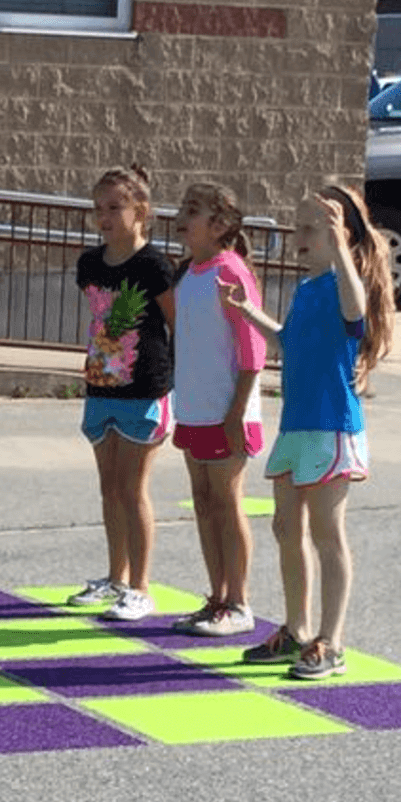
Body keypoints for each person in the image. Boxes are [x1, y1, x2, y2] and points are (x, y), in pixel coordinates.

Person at [218, 185, 395, 679]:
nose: (299, 236)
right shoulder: (307, 288)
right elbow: (286, 341)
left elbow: (355, 311)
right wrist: (244, 309)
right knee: (284, 528)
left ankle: (331, 642)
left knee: (326, 533)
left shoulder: (346, 281)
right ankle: (295, 630)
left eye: (311, 228)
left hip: (331, 427)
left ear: (342, 234)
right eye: (298, 227)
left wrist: (340, 249)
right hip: (295, 426)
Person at [67, 164, 176, 622]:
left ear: (141, 212)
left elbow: (176, 325)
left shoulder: (154, 265)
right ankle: (115, 577)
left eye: (115, 207)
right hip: (102, 384)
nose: (105, 217)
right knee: (109, 488)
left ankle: (141, 586)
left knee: (133, 490)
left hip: (144, 389)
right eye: (98, 209)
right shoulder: (90, 264)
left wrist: (183, 385)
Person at [170, 184, 267, 637]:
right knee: (204, 503)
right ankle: (216, 596)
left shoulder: (230, 272)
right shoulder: (188, 273)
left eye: (194, 211)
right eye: (184, 209)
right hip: (193, 409)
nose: (183, 217)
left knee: (228, 503)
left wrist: (237, 409)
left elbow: (253, 348)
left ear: (221, 224)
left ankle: (240, 602)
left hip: (228, 410)